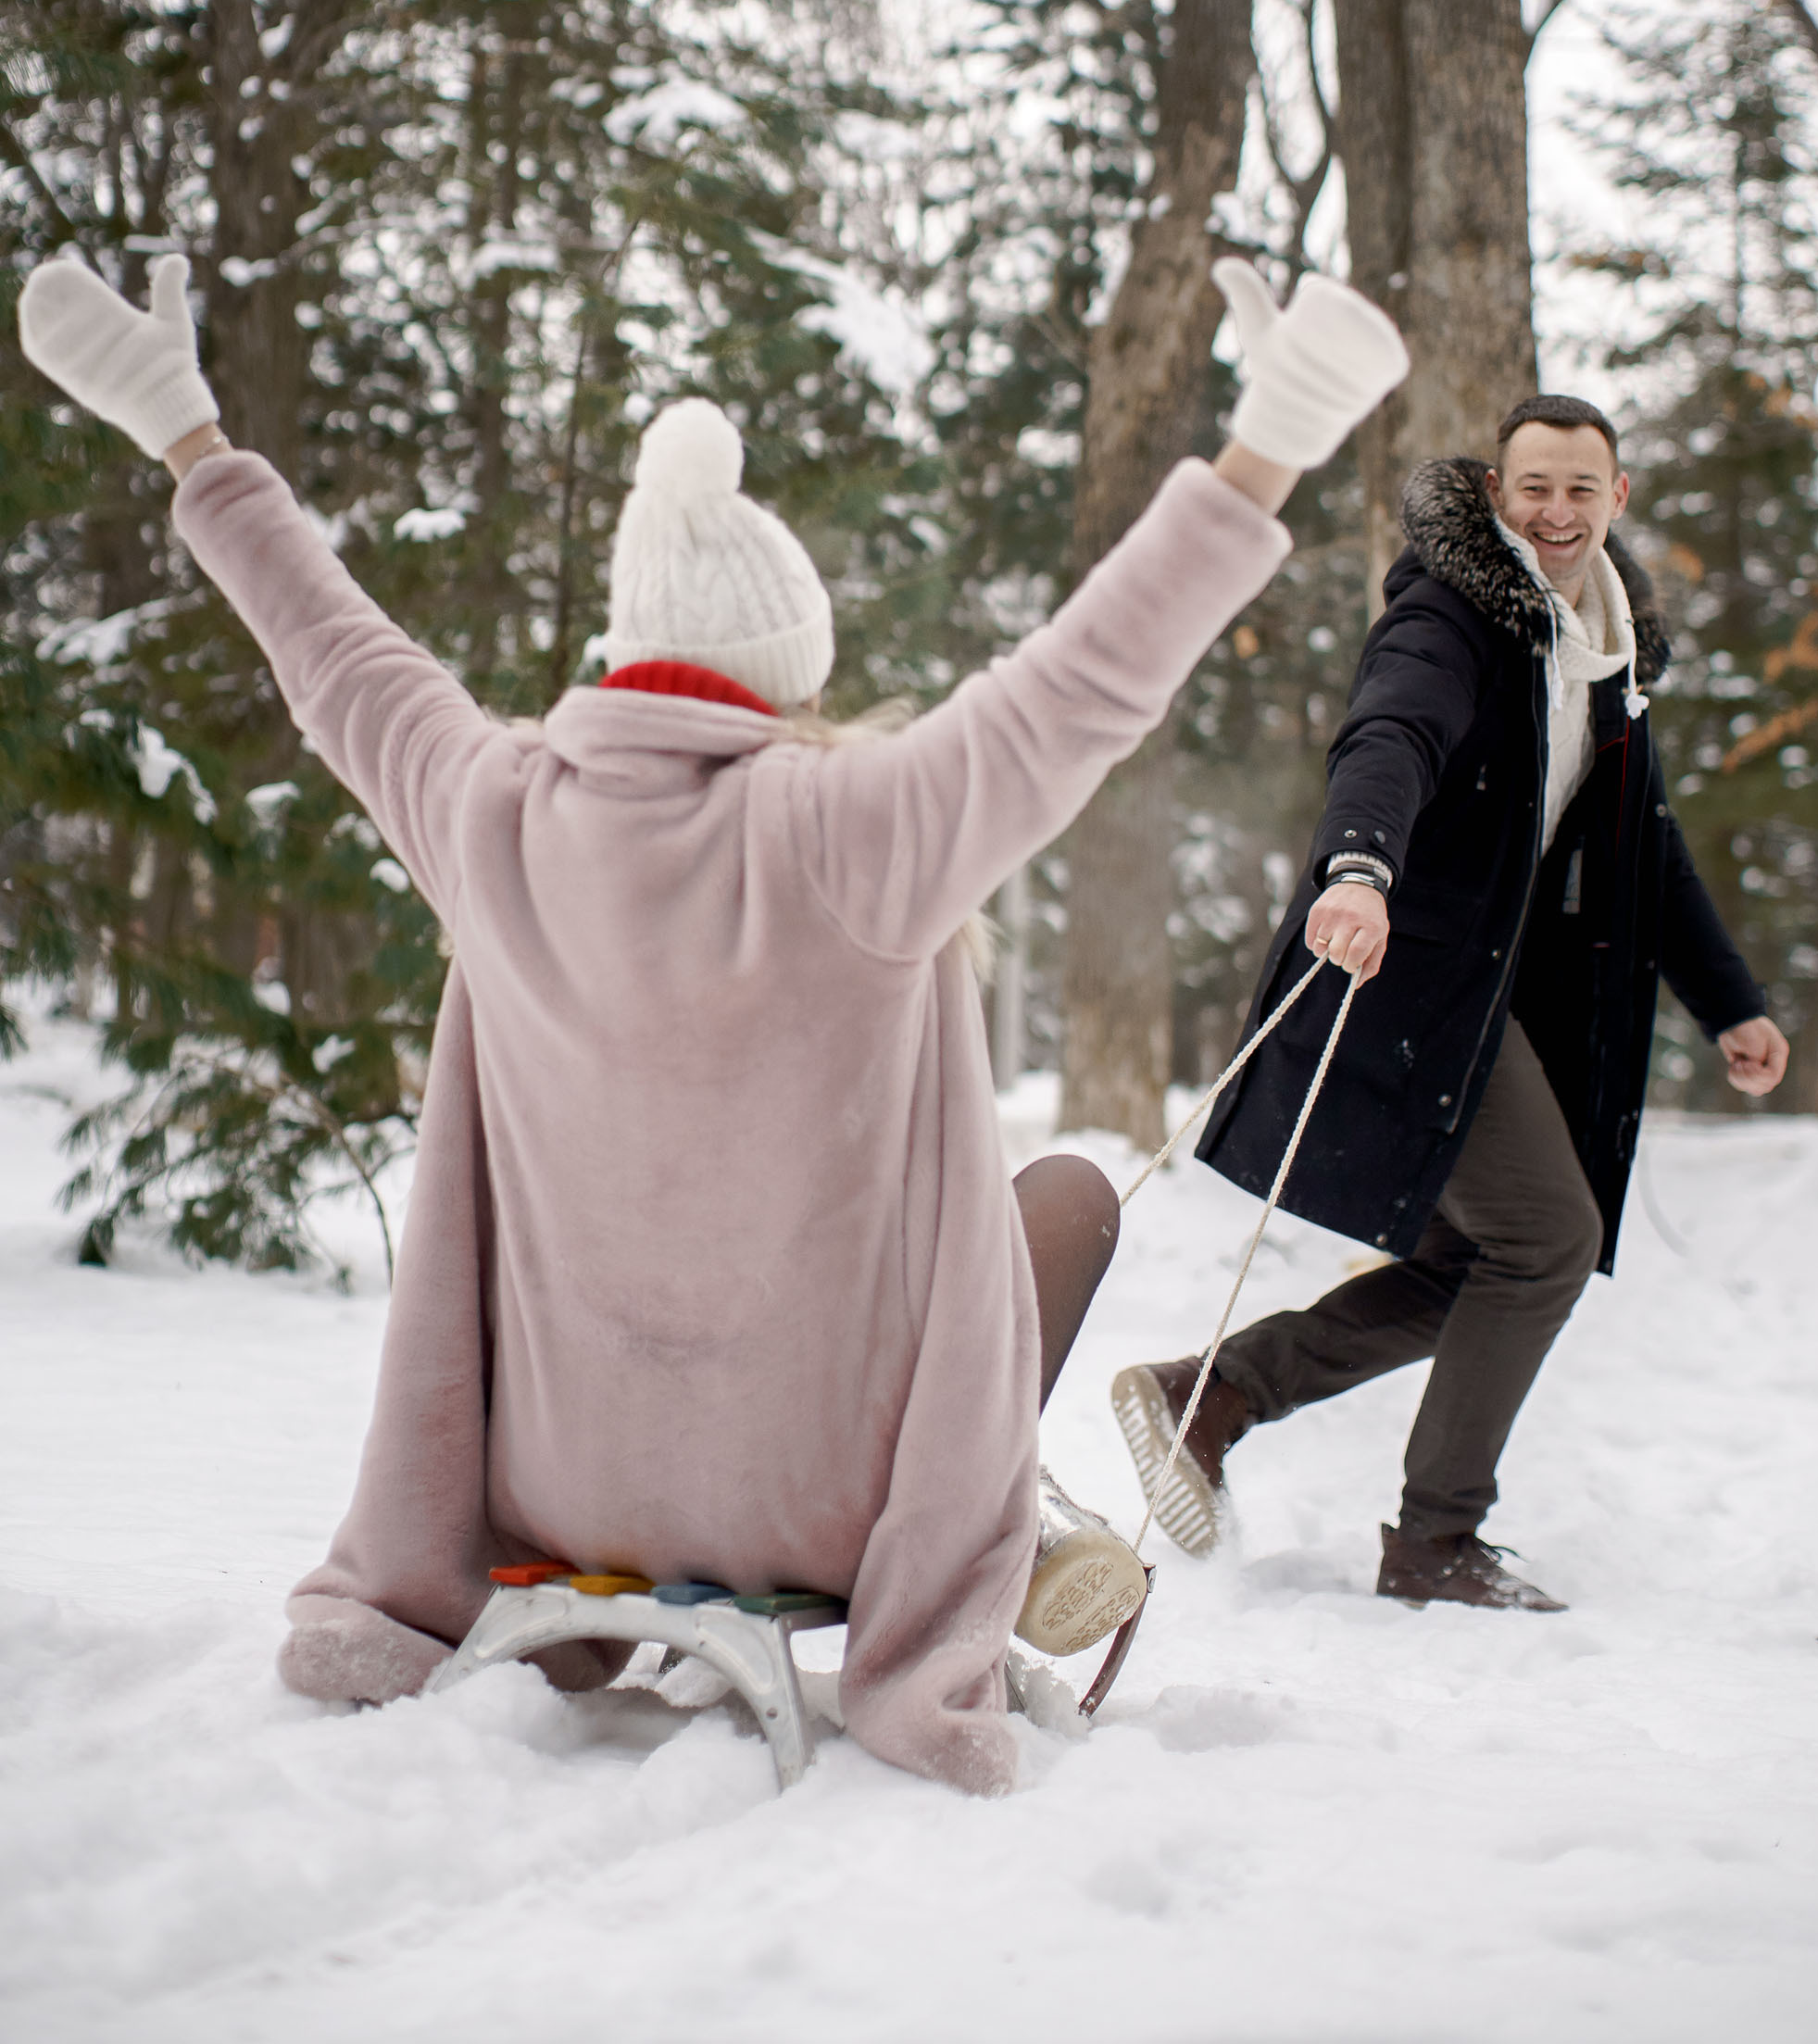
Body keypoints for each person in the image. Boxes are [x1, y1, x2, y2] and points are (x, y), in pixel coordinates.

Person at [18, 247, 1406, 1793]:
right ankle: (1002, 1538)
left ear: (626, 654)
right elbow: (1085, 684)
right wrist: (1263, 442)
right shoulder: (856, 828)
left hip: (554, 1491)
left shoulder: (488, 808)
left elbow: (327, 648)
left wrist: (187, 435)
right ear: (783, 670)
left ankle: (1024, 1525)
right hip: (820, 1507)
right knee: (1066, 1196)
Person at [1113, 391, 1788, 1611]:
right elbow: (1391, 735)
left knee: (1475, 1263)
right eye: (1535, 487)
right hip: (1403, 972)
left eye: (1582, 489)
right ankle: (1433, 1541)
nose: (1558, 512)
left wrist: (1730, 1002)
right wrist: (1359, 867)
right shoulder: (1455, 608)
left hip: (1489, 1000)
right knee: (1546, 1242)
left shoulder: (1610, 655)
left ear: (1618, 497)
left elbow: (1653, 853)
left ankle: (1212, 1393)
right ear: (1496, 492)